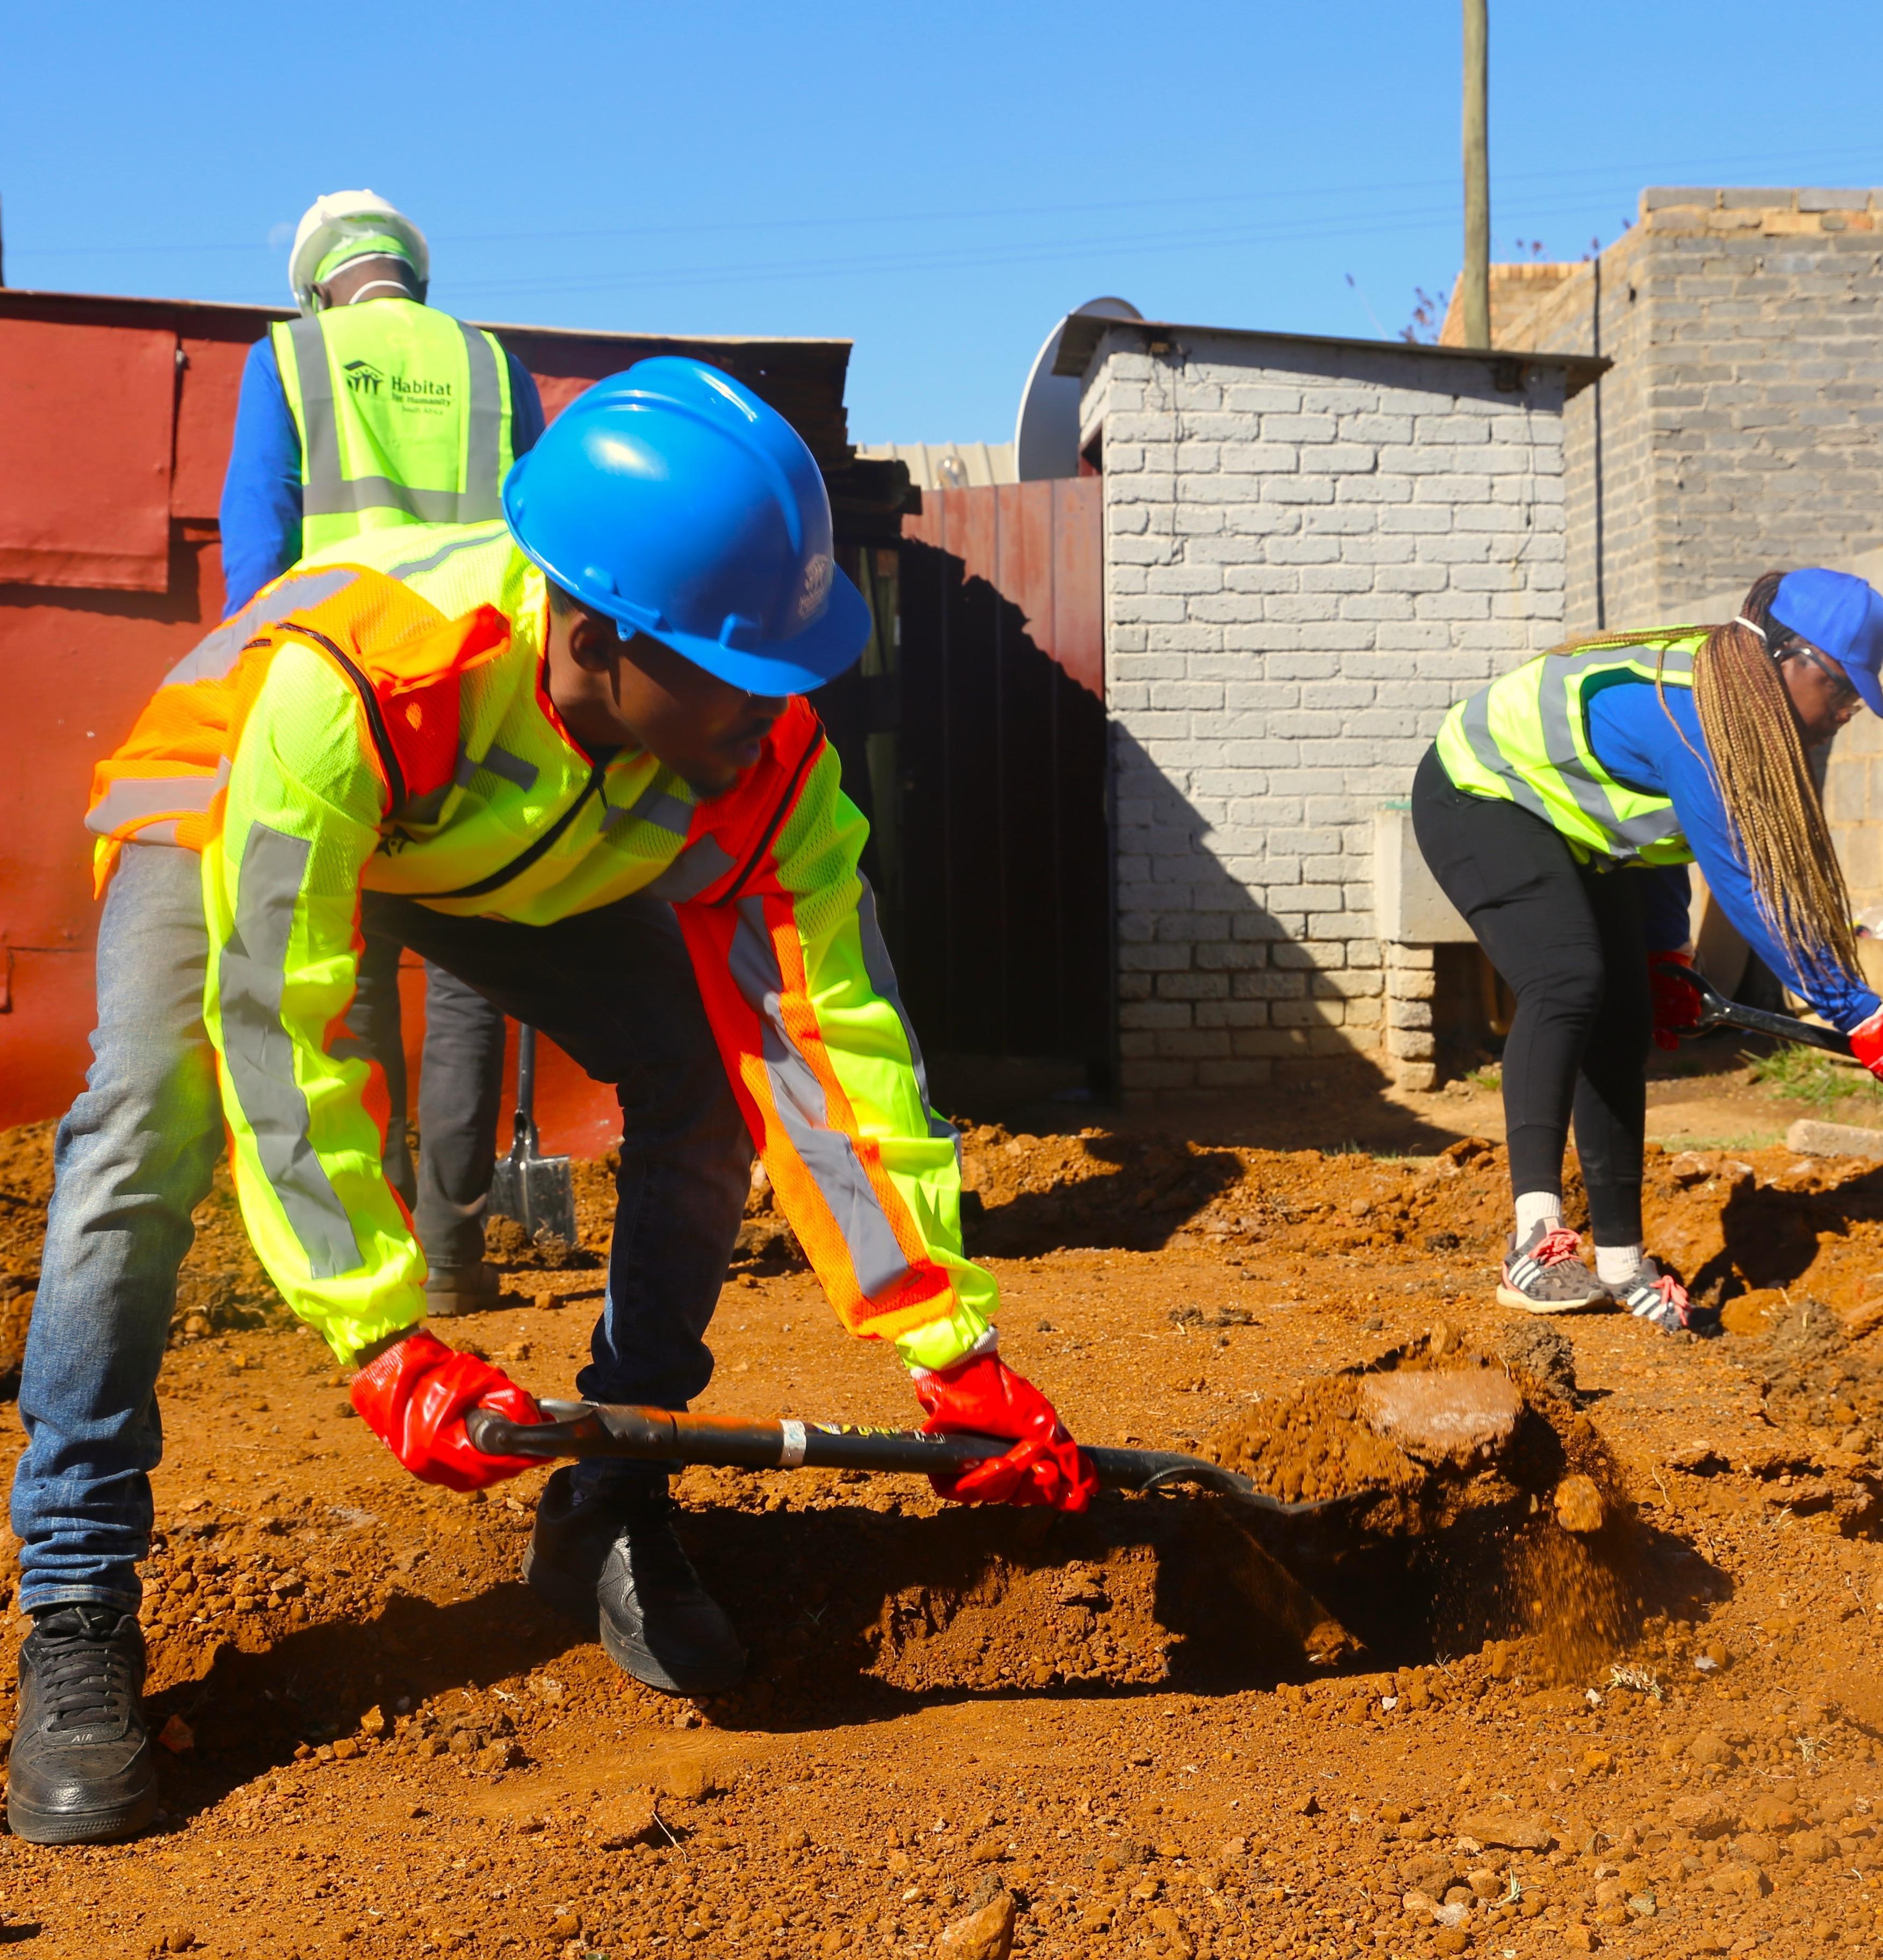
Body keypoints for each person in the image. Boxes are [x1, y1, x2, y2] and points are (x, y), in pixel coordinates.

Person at [11, 358, 1094, 1847]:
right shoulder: (362, 682)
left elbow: (829, 1037)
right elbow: (285, 1016)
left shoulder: (749, 749)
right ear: (595, 637)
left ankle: (608, 1489)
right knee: (145, 1122)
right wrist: (381, 1335)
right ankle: (75, 1600)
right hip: (243, 789)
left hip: (496, 841)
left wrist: (947, 1345)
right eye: (745, 670)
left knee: (705, 1084)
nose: (787, 710)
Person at [1413, 568, 1883, 1330]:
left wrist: (1666, 954)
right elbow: (1747, 882)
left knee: (1625, 1016)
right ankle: (1535, 1244)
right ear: (1792, 657)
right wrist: (1858, 1012)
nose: (1847, 711)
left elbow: (1661, 841)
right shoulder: (1698, 715)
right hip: (1480, 793)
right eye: (1842, 689)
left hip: (1576, 832)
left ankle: (1621, 1263)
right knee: (1569, 980)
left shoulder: (1737, 715)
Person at [220, 189, 550, 1315]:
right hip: (475, 693)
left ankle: (379, 1253)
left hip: (340, 694)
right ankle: (458, 1263)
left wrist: (250, 714)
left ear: (314, 282)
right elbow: (544, 540)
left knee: (339, 978)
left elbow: (258, 550)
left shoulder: (290, 358)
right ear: (414, 275)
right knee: (467, 981)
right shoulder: (496, 366)